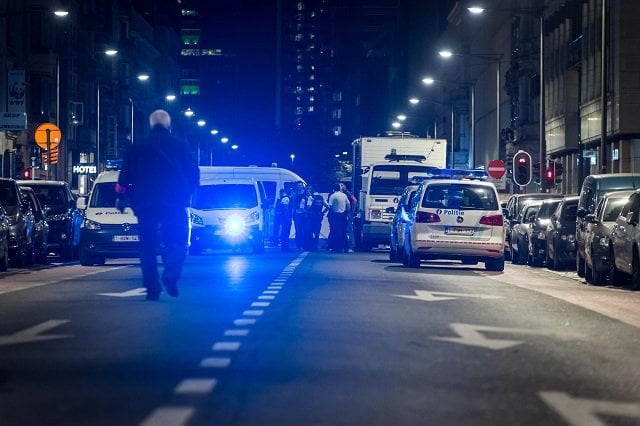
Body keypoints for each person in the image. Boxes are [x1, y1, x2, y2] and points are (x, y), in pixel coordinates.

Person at [117, 109, 200, 301]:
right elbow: (194, 174)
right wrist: (187, 193)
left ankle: (152, 289)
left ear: (151, 124)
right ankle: (171, 275)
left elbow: (124, 176)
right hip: (174, 202)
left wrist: (121, 197)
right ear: (168, 125)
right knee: (177, 242)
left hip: (145, 203)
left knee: (147, 247)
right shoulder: (181, 146)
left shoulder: (137, 147)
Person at [327, 183, 350, 252]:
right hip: (343, 215)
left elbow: (330, 206)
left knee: (335, 231)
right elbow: (348, 205)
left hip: (335, 215)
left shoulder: (333, 196)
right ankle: (346, 247)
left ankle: (337, 247)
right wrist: (347, 212)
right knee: (343, 231)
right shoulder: (344, 195)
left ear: (333, 189)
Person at [305, 185, 327, 251]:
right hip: (319, 216)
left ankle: (311, 246)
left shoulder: (311, 197)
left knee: (310, 231)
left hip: (312, 217)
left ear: (312, 190)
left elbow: (308, 206)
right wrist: (322, 212)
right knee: (317, 232)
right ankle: (315, 246)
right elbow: (328, 206)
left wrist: (307, 212)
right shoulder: (321, 197)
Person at [291, 181, 308, 251]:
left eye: (300, 185)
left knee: (305, 230)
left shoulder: (306, 193)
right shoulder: (295, 194)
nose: (299, 187)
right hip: (297, 214)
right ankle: (298, 245)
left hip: (304, 214)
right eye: (298, 185)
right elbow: (292, 203)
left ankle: (304, 245)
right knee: (298, 230)